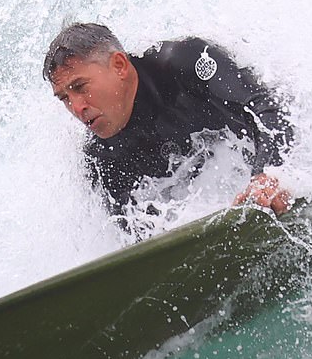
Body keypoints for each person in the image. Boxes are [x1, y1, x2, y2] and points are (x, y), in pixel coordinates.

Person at [43, 22, 293, 233]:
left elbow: (269, 106)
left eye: (80, 86)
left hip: (284, 164)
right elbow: (137, 241)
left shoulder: (185, 61)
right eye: (64, 98)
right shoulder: (101, 160)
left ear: (119, 65)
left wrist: (269, 175)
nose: (76, 107)